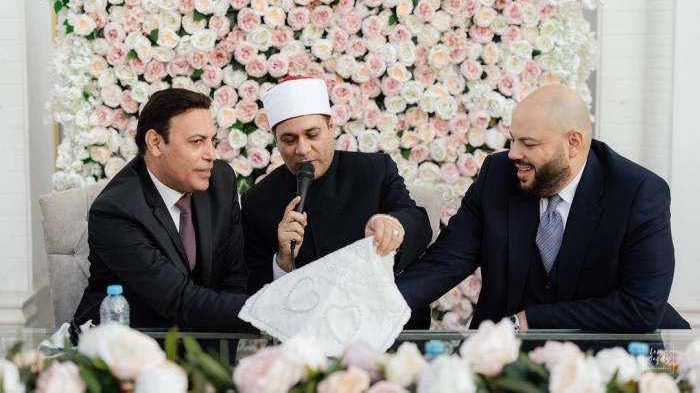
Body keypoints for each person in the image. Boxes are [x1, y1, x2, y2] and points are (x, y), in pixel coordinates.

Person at [397, 84, 690, 331]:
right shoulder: (497, 175)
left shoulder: (638, 193)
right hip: (507, 359)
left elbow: (641, 307)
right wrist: (378, 306)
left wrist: (529, 321)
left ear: (573, 143)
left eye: (528, 144)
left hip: (613, 355)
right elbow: (446, 262)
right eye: (513, 140)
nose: (513, 154)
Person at [242, 76, 433, 328]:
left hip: (384, 322)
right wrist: (282, 261)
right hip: (309, 332)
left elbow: (417, 221)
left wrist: (392, 225)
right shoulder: (257, 200)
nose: (302, 149)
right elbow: (250, 286)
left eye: (312, 134)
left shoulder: (375, 170)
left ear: (331, 127)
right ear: (275, 140)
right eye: (289, 140)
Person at [73, 89, 252, 332]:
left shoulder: (220, 180)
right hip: (126, 345)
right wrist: (268, 312)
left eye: (213, 141)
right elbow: (177, 299)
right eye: (197, 142)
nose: (211, 155)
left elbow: (234, 279)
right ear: (156, 143)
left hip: (204, 343)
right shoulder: (115, 210)